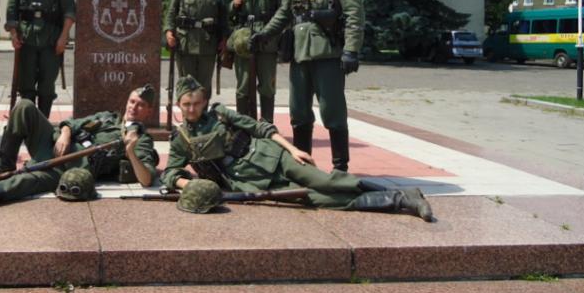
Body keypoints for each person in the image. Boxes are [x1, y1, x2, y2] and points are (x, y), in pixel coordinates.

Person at [161, 76, 433, 220]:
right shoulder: (181, 138)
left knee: (325, 181)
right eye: (186, 104)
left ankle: (402, 195)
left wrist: (292, 149)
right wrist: (188, 184)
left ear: (204, 101)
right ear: (179, 105)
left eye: (196, 103)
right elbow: (170, 173)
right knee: (318, 199)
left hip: (275, 156)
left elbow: (259, 128)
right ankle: (399, 200)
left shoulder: (220, 113)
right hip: (251, 181)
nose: (192, 109)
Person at [0, 84, 161, 215]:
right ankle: (4, 164)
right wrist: (65, 132)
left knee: (23, 183)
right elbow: (72, 122)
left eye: (141, 105)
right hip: (51, 144)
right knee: (25, 106)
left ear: (149, 111)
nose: (134, 107)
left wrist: (130, 151)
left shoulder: (141, 140)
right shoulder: (106, 117)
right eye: (132, 101)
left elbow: (146, 179)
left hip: (64, 168)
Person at [253, 0, 364, 172]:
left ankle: (340, 167)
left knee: (333, 111)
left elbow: (354, 12)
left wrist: (351, 49)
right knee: (299, 112)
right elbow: (285, 12)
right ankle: (303, 165)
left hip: (328, 53)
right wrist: (265, 34)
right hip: (300, 53)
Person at [4, 0, 76, 117]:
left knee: (46, 86)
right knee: (26, 85)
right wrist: (14, 35)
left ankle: (43, 123)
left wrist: (63, 37)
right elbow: (11, 12)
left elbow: (70, 11)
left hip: (51, 40)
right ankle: (28, 122)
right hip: (26, 40)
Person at [228, 0, 285, 120]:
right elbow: (227, 12)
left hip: (268, 38)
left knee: (267, 85)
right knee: (243, 85)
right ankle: (243, 125)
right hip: (244, 38)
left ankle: (266, 124)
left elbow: (284, 9)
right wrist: (234, 4)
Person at [164, 0, 227, 96]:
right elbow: (170, 14)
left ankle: (203, 111)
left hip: (208, 45)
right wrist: (169, 33)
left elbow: (223, 18)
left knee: (204, 87)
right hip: (185, 44)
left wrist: (224, 39)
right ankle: (187, 111)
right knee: (186, 86)